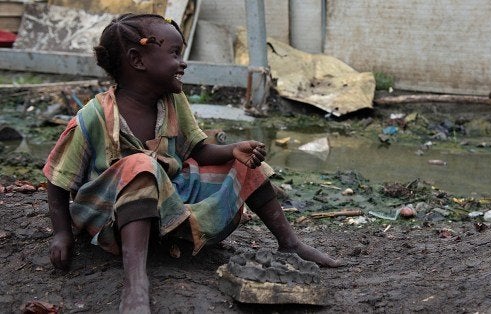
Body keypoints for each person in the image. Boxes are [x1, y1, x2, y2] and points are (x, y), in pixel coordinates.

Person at [43, 13, 340, 313]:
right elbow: (57, 179)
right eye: (174, 54)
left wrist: (234, 150)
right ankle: (136, 282)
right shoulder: (93, 117)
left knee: (247, 165)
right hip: (110, 214)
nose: (183, 63)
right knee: (141, 166)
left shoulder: (173, 101)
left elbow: (198, 149)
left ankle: (289, 242)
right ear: (138, 60)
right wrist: (62, 234)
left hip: (168, 201)